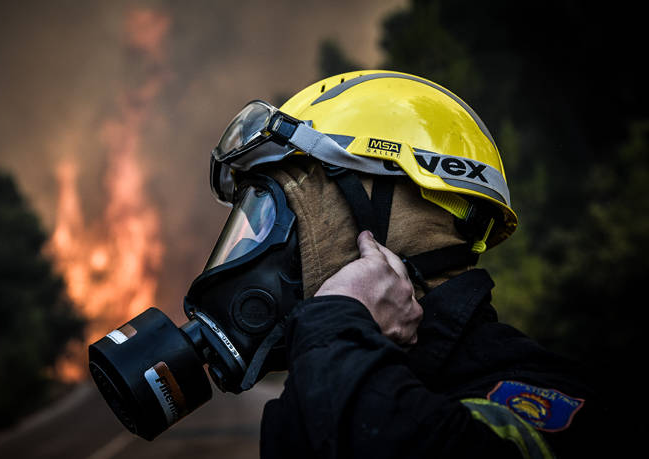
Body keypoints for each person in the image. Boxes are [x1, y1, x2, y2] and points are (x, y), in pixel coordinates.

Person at [206, 70, 609, 458]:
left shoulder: (545, 396)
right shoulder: (322, 374)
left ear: (385, 214)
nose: (264, 243)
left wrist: (335, 326)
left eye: (283, 210)